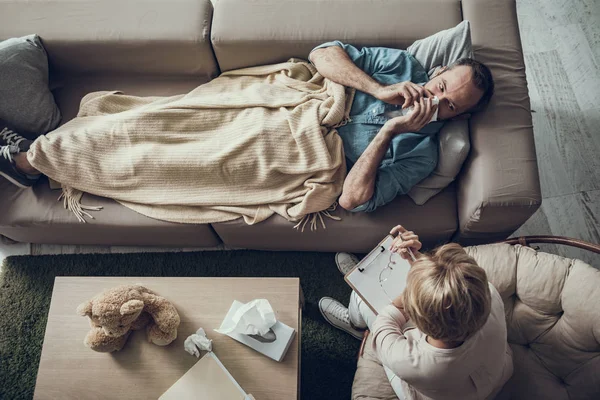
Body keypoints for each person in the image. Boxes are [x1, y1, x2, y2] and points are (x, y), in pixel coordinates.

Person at [0, 41, 494, 213]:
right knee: (144, 121)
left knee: (157, 160)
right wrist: (380, 90)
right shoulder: (401, 65)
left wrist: (388, 132)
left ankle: (27, 160)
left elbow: (349, 199)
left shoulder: (422, 153)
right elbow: (324, 55)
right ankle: (33, 157)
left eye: (451, 107)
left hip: (289, 155)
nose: (439, 100)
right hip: (281, 103)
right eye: (444, 85)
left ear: (458, 118)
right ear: (438, 71)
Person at [319, 225, 512, 399]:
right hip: (491, 373)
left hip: (429, 388)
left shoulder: (411, 362)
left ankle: (355, 323)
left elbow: (385, 321)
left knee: (361, 298)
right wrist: (423, 265)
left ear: (418, 321)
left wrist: (403, 299)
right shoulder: (486, 293)